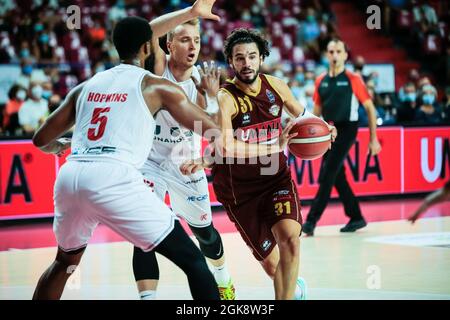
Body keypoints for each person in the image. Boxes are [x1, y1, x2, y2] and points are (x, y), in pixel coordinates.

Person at [31, 16, 222, 300]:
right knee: (194, 263)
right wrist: (213, 97)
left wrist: (59, 145)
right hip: (113, 177)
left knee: (64, 263)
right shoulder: (156, 86)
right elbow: (212, 129)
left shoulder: (87, 85)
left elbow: (40, 139)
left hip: (71, 176)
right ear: (148, 47)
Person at [184, 28, 336, 300]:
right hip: (239, 192)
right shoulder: (225, 98)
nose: (246, 63)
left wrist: (325, 129)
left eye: (252, 56)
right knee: (274, 266)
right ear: (231, 62)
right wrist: (273, 146)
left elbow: (303, 115)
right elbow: (226, 146)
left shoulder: (276, 86)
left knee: (290, 239)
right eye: (239, 58)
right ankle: (294, 289)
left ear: (261, 57)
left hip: (274, 178)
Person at [132, 0, 236, 300]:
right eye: (185, 39)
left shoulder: (200, 81)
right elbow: (148, 31)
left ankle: (223, 278)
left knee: (204, 233)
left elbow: (218, 135)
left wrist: (213, 98)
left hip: (185, 164)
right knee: (143, 232)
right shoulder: (156, 71)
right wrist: (191, 13)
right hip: (149, 163)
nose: (193, 46)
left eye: (197, 40)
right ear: (168, 44)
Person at [302, 39, 382, 236]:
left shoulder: (353, 79)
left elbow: (370, 109)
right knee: (338, 176)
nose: (335, 55)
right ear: (327, 55)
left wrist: (373, 139)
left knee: (328, 172)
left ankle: (311, 221)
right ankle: (356, 217)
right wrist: (314, 135)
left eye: (339, 51)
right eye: (331, 51)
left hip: (347, 129)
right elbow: (316, 112)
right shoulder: (320, 80)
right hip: (328, 130)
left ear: (346, 55)